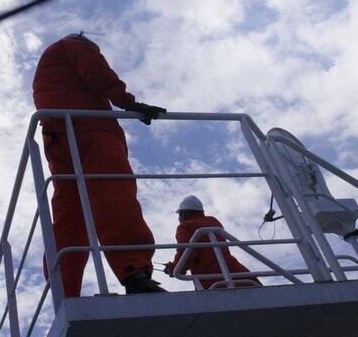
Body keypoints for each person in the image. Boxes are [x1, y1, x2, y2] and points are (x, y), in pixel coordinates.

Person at [32, 32, 167, 296]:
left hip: (57, 136)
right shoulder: (73, 47)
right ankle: (134, 273)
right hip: (92, 130)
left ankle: (64, 290)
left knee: (70, 214)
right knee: (114, 195)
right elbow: (96, 73)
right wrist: (129, 103)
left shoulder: (48, 68)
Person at [163, 195, 260, 289]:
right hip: (243, 276)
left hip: (214, 283)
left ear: (183, 214)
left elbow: (186, 253)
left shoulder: (185, 227)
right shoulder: (214, 221)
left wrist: (174, 268)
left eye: (179, 215)